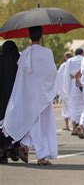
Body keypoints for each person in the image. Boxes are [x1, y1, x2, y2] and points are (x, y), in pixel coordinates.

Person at [3, 26, 58, 165]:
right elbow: (52, 73)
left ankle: (25, 144)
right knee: (43, 125)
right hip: (42, 94)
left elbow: (20, 76)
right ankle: (41, 156)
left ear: (29, 36)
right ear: (41, 35)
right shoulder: (47, 52)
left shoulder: (26, 53)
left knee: (29, 121)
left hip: (28, 94)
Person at [0, 41, 20, 164]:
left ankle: (2, 151)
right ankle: (13, 147)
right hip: (15, 97)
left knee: (1, 123)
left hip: (1, 96)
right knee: (14, 122)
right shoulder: (19, 59)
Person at [64, 48, 84, 137]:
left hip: (73, 84)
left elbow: (66, 75)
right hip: (83, 83)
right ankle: (82, 126)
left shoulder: (70, 61)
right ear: (82, 53)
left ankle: (74, 128)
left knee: (73, 106)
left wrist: (66, 89)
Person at [56, 52, 73, 131]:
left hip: (64, 90)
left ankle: (68, 125)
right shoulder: (70, 65)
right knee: (71, 107)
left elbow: (58, 77)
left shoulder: (64, 65)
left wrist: (59, 90)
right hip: (70, 90)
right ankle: (71, 126)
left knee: (66, 108)